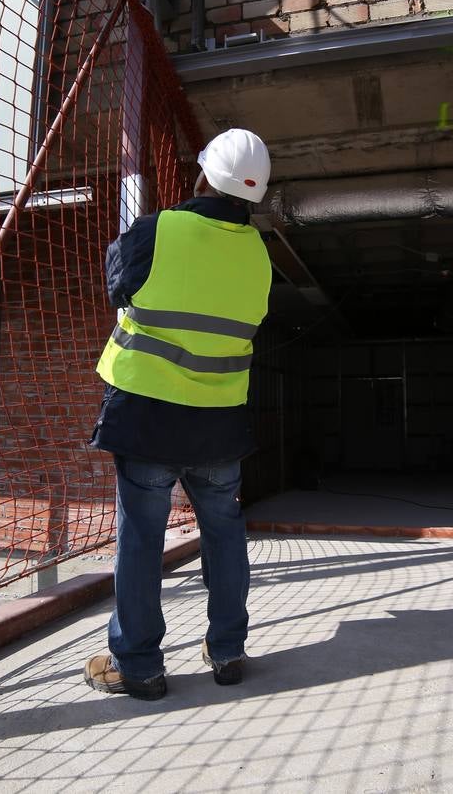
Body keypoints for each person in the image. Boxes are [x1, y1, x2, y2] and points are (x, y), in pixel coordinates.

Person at [83, 128, 273, 700]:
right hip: (217, 422)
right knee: (224, 535)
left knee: (141, 540)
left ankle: (138, 666)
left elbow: (119, 285)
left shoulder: (156, 229)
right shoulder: (260, 256)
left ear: (202, 175)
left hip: (148, 418)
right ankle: (228, 651)